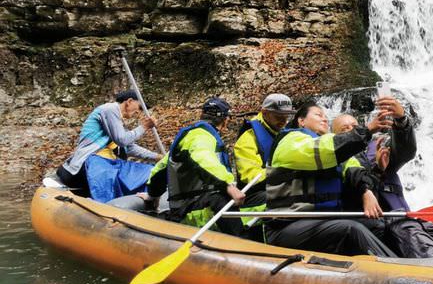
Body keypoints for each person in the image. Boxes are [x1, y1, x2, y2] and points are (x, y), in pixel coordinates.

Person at [332, 97, 433, 258]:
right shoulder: (334, 159)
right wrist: (377, 170)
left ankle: (428, 254)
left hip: (402, 220)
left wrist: (400, 119)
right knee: (402, 226)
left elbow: (405, 150)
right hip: (376, 225)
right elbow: (353, 189)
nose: (351, 130)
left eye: (354, 126)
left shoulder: (377, 148)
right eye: (344, 129)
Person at [260, 101, 396, 257]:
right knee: (350, 229)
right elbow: (325, 150)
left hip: (322, 222)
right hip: (286, 226)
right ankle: (395, 271)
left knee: (377, 225)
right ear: (301, 121)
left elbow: (354, 170)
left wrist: (367, 188)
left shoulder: (335, 152)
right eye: (318, 115)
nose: (325, 119)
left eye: (326, 116)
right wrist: (367, 130)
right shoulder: (290, 141)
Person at [160, 97, 246, 236]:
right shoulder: (201, 137)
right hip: (191, 211)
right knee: (223, 199)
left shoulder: (191, 137)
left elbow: (161, 168)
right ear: (225, 120)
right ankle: (242, 243)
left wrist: (152, 196)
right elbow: (203, 159)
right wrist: (227, 186)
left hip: (187, 205)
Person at [57, 90, 160, 198]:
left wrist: (158, 157)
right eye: (139, 107)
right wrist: (144, 127)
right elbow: (121, 140)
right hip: (92, 161)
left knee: (149, 171)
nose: (139, 112)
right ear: (129, 101)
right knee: (108, 176)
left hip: (110, 163)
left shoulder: (118, 122)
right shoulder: (110, 109)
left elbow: (129, 148)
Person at [233, 93, 295, 224]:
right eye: (278, 116)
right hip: (254, 197)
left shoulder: (285, 132)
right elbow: (250, 176)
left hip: (279, 187)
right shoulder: (248, 139)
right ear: (265, 113)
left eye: (286, 116)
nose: (283, 121)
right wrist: (282, 172)